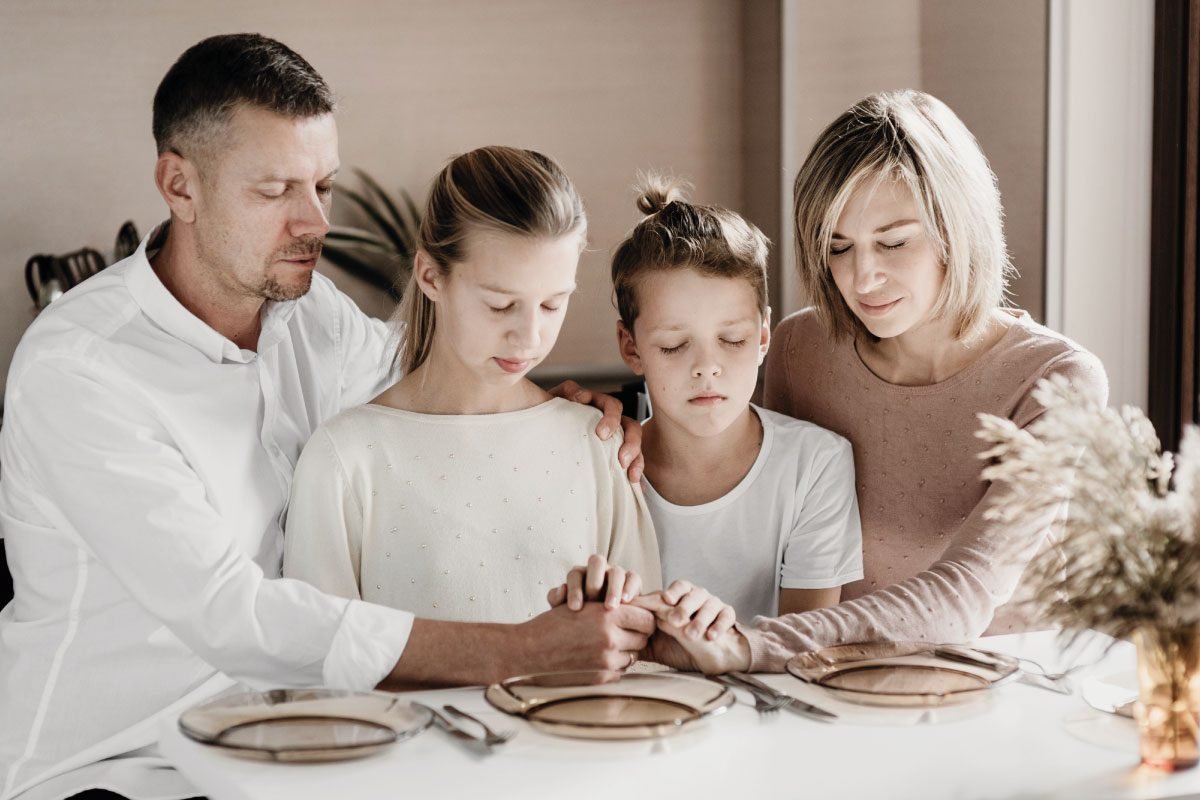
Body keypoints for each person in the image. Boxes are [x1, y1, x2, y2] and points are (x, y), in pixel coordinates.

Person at [0, 35, 651, 800]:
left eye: (323, 186)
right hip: (122, 769)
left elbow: (440, 382)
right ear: (180, 185)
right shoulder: (81, 369)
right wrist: (521, 651)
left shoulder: (312, 317)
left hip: (297, 753)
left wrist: (560, 409)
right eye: (276, 190)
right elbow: (232, 615)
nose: (313, 221)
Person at [636, 89, 1109, 674]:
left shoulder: (1057, 380)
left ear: (957, 228)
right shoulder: (802, 347)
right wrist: (590, 427)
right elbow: (763, 504)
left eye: (893, 242)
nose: (862, 278)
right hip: (833, 682)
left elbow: (966, 592)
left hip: (1002, 687)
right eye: (838, 247)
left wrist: (750, 645)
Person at [283, 146, 662, 623]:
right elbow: (319, 652)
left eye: (552, 304)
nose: (529, 337)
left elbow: (643, 642)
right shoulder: (344, 458)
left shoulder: (599, 446)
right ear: (430, 276)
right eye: (501, 305)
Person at [605, 175, 862, 622]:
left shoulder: (816, 464)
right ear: (632, 348)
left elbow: (805, 637)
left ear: (762, 337)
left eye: (732, 340)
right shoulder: (602, 471)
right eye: (673, 346)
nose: (707, 367)